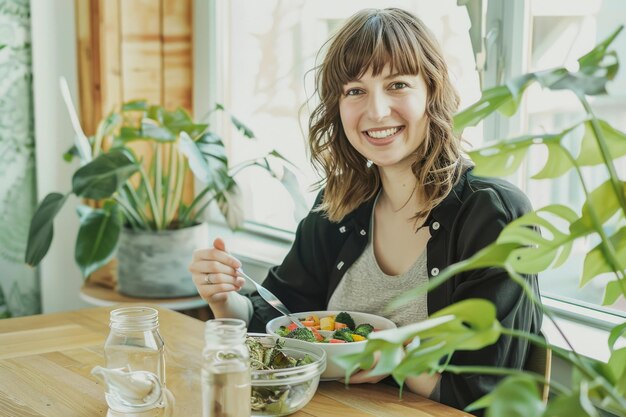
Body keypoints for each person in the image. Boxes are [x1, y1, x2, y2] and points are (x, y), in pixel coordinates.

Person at [189, 7, 542, 414]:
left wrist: (396, 359)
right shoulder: (339, 205)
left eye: (397, 85)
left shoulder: (492, 214)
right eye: (355, 90)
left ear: (432, 92)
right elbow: (279, 322)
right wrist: (223, 297)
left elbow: (485, 392)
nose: (376, 111)